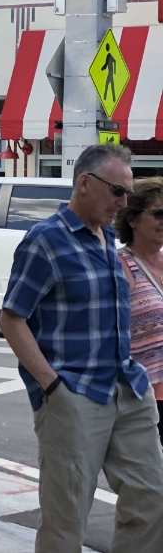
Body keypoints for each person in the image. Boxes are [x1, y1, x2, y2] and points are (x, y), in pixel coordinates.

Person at [0, 144, 163, 553]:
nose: (123, 203)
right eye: (117, 192)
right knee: (66, 518)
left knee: (152, 500)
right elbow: (12, 319)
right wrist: (52, 387)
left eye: (127, 194)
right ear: (85, 183)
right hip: (73, 393)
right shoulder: (46, 240)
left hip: (127, 386)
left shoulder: (107, 239)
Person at [114, 176, 163, 446]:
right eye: (158, 213)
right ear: (132, 219)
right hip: (145, 399)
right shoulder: (120, 266)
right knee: (152, 483)